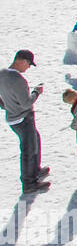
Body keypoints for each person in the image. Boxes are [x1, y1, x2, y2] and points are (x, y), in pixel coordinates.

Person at [1, 50, 49, 192]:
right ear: (21, 61)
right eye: (28, 64)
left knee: (35, 140)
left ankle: (35, 170)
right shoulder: (18, 80)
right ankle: (29, 183)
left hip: (13, 119)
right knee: (28, 150)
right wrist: (36, 92)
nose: (28, 68)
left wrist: (8, 107)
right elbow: (26, 104)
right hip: (23, 119)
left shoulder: (2, 73)